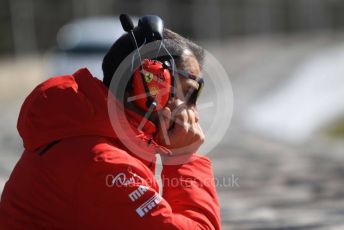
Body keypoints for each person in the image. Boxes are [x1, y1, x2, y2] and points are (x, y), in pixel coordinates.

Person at [0, 16, 221, 229]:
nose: (195, 113)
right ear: (152, 84)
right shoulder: (101, 161)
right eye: (190, 95)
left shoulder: (91, 137)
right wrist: (184, 158)